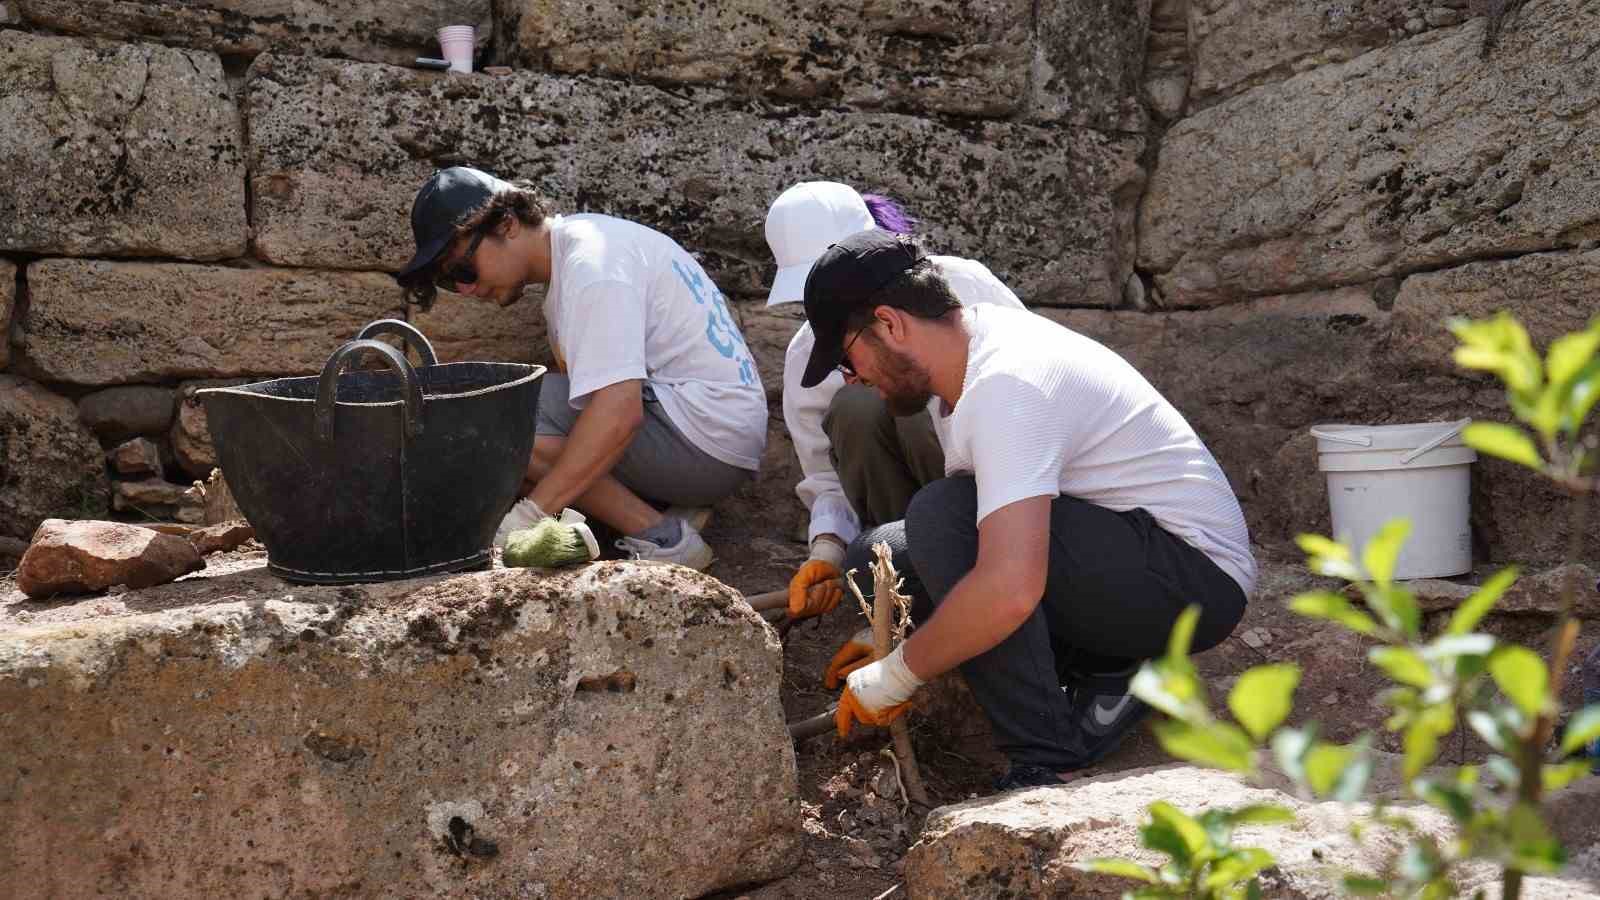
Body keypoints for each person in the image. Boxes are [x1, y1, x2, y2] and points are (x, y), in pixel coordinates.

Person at [800, 230, 1256, 791]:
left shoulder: (1006, 383)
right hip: (1128, 554)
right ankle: (1113, 672)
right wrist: (889, 627)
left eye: (849, 360)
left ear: (890, 325)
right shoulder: (965, 363)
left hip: (1191, 580)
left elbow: (1008, 586)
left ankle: (1044, 755)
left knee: (944, 516)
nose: (856, 380)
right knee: (881, 555)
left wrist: (897, 673)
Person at [394, 167, 766, 570]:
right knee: (513, 430)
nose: (465, 289)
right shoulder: (581, 253)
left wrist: (526, 519)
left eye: (462, 270)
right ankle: (667, 514)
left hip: (705, 439)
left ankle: (663, 538)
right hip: (706, 430)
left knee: (498, 416)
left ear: (507, 223)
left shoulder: (593, 266)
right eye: (450, 282)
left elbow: (619, 412)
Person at [762, 182, 1025, 619]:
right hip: (909, 523)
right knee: (857, 408)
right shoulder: (808, 354)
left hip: (1005, 501)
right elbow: (827, 477)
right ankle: (912, 592)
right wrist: (826, 551)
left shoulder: (964, 286)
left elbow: (1029, 393)